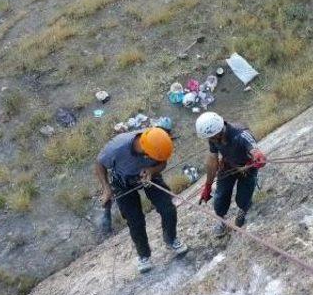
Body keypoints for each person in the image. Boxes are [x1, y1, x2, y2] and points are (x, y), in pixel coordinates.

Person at [95, 127, 188, 273]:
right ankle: (143, 255)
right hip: (122, 182)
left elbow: (162, 163)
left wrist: (151, 170)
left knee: (168, 208)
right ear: (145, 151)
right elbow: (99, 164)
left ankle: (171, 239)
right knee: (135, 221)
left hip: (150, 175)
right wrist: (106, 188)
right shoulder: (117, 147)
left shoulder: (157, 140)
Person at [195, 112, 267, 237]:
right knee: (220, 196)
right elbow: (212, 162)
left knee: (243, 197)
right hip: (228, 165)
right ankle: (221, 219)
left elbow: (253, 148)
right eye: (210, 138)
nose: (210, 140)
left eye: (212, 137)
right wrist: (208, 185)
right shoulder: (213, 137)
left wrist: (257, 156)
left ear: (219, 131)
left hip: (247, 167)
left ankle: (243, 209)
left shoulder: (241, 134)